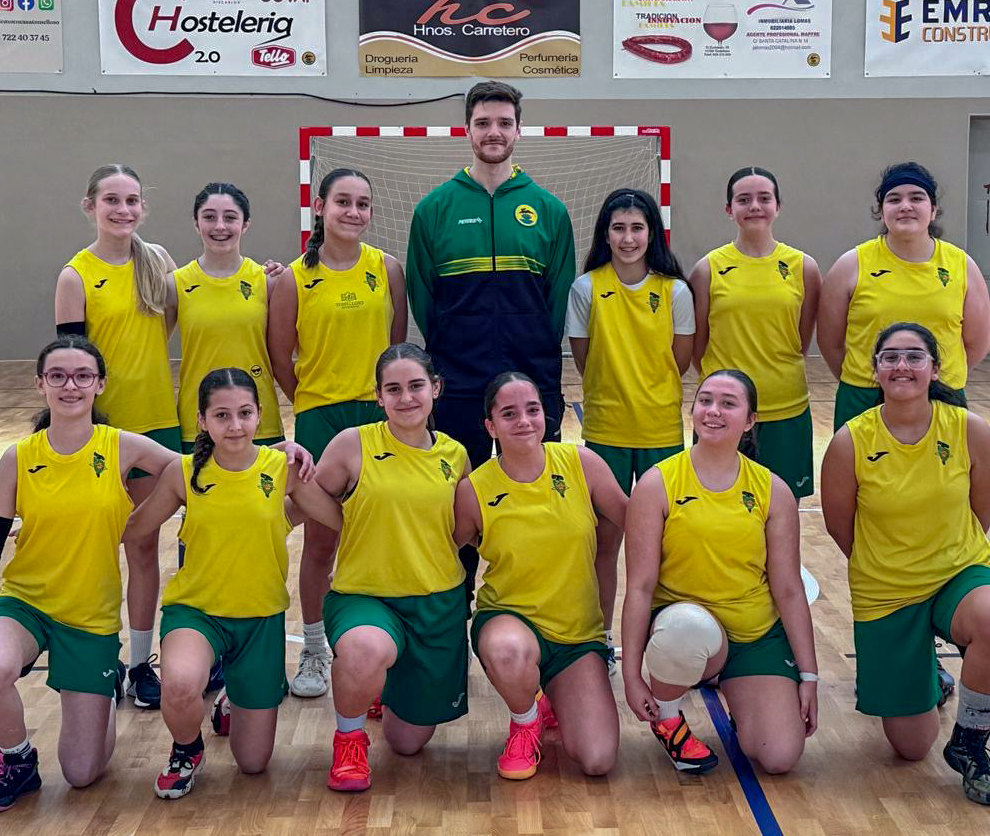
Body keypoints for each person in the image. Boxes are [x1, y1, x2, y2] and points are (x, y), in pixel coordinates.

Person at [0, 336, 178, 813]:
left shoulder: (124, 447)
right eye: (58, 376)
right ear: (40, 384)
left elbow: (197, 472)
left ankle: (106, 688)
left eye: (83, 376)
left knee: (82, 773)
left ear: (100, 385)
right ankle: (17, 761)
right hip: (26, 602)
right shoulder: (18, 457)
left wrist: (274, 456)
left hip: (89, 617)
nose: (71, 386)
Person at [820, 322, 990, 806]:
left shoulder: (969, 429)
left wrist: (948, 557)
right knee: (911, 747)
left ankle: (971, 744)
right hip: (885, 591)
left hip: (957, 573)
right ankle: (927, 667)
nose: (902, 366)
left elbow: (981, 511)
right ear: (875, 371)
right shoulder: (850, 441)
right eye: (890, 357)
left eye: (914, 357)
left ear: (935, 368)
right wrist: (887, 563)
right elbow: (839, 525)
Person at [125, 369, 335, 799]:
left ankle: (232, 699)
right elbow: (133, 527)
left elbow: (334, 517)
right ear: (202, 420)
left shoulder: (284, 469)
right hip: (196, 612)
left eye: (244, 413)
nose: (235, 425)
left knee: (253, 764)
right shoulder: (183, 473)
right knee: (181, 683)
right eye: (221, 415)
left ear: (260, 416)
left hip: (260, 618)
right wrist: (51, 530)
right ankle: (187, 749)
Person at [406, 80, 577, 604]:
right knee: (454, 495)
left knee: (538, 496)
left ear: (519, 130)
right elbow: (423, 294)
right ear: (467, 129)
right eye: (484, 123)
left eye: (504, 123)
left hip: (533, 376)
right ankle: (452, 611)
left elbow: (558, 295)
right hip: (457, 378)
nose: (494, 132)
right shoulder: (434, 209)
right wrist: (454, 351)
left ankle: (537, 602)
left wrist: (536, 357)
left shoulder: (548, 210)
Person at [621, 370, 819, 776]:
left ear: (749, 420)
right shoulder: (658, 484)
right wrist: (631, 674)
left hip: (753, 634)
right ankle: (670, 717)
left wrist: (809, 674)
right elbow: (639, 588)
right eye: (705, 400)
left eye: (728, 403)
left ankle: (738, 691)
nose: (713, 411)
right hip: (685, 627)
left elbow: (789, 589)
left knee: (779, 757)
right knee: (686, 630)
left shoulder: (772, 489)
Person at [267, 168, 407, 700]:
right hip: (320, 418)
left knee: (379, 534)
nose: (354, 212)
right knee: (321, 540)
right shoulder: (292, 279)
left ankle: (386, 644)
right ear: (320, 207)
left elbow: (396, 350)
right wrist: (312, 398)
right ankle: (314, 648)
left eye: (363, 204)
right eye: (343, 202)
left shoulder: (387, 269)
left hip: (379, 419)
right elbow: (280, 355)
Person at [454, 371, 626, 780]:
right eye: (509, 413)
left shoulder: (581, 464)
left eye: (532, 409)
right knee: (510, 652)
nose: (525, 421)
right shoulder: (475, 489)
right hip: (510, 620)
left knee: (598, 759)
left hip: (576, 636)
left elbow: (636, 518)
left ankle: (548, 696)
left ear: (546, 414)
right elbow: (442, 555)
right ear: (491, 426)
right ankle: (524, 720)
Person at [313, 343, 470, 792]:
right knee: (364, 650)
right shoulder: (352, 444)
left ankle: (382, 689)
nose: (406, 398)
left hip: (436, 601)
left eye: (416, 386)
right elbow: (308, 499)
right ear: (378, 396)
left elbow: (463, 531)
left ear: (436, 389)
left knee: (407, 743)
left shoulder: (456, 456)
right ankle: (348, 739)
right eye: (393, 389)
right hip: (366, 595)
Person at [54, 164, 179, 709]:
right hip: (103, 432)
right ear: (90, 206)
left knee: (145, 545)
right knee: (99, 550)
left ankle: (139, 663)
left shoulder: (159, 264)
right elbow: (72, 362)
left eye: (132, 200)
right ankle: (97, 655)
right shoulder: (74, 276)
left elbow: (170, 324)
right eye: (112, 200)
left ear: (143, 209)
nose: (123, 210)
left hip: (158, 423)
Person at [568, 188, 693, 658]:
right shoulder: (586, 289)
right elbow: (585, 360)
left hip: (661, 431)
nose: (627, 237)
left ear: (652, 234)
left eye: (637, 227)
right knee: (605, 542)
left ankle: (670, 640)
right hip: (605, 432)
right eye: (618, 228)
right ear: (605, 233)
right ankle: (600, 638)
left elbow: (679, 360)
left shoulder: (675, 290)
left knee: (667, 546)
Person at [817, 161, 990, 431]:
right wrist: (873, 378)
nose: (905, 206)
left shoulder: (962, 265)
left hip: (941, 393)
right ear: (882, 211)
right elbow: (830, 343)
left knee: (941, 474)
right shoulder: (851, 265)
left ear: (933, 210)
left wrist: (926, 377)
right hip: (865, 396)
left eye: (917, 198)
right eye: (894, 199)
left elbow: (977, 344)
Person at [692, 167, 821, 499]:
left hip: (786, 409)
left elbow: (801, 339)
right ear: (729, 209)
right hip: (723, 413)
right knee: (716, 508)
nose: (754, 207)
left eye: (764, 198)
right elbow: (698, 344)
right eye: (743, 199)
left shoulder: (803, 267)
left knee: (782, 511)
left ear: (778, 206)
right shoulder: (708, 269)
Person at [172, 184, 285, 453]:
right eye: (209, 217)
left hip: (258, 420)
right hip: (197, 420)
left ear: (245, 224)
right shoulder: (175, 284)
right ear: (196, 223)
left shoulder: (269, 281)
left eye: (230, 217)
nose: (219, 226)